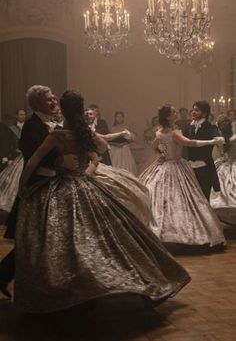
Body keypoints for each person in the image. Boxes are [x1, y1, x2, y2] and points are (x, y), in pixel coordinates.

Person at [15, 91, 190, 314]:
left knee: (67, 239)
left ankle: (80, 287)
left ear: (64, 109)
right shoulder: (83, 132)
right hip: (85, 185)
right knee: (110, 236)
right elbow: (98, 155)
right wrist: (85, 173)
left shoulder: (58, 135)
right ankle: (128, 279)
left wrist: (22, 187)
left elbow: (32, 162)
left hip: (64, 186)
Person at [0, 85, 60, 299]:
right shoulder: (32, 126)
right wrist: (61, 157)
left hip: (53, 185)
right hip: (38, 187)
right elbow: (33, 156)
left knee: (39, 238)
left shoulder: (52, 123)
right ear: (36, 104)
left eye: (54, 99)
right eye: (48, 100)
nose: (53, 102)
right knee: (34, 238)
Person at [139, 105, 226, 247]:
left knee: (164, 199)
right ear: (168, 116)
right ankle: (178, 232)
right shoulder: (174, 132)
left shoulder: (159, 132)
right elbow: (190, 143)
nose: (176, 112)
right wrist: (213, 141)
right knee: (182, 199)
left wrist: (160, 155)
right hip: (176, 166)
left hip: (165, 165)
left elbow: (154, 147)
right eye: (173, 111)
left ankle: (165, 230)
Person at [185, 101, 220, 201]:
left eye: (197, 110)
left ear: (204, 113)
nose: (193, 112)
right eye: (193, 110)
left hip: (205, 167)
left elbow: (218, 139)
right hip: (190, 167)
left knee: (204, 198)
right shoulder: (189, 127)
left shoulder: (211, 128)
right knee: (191, 198)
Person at [210, 115, 236, 225]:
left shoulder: (219, 140)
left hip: (223, 165)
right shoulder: (234, 138)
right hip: (232, 164)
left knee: (222, 189)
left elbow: (221, 155)